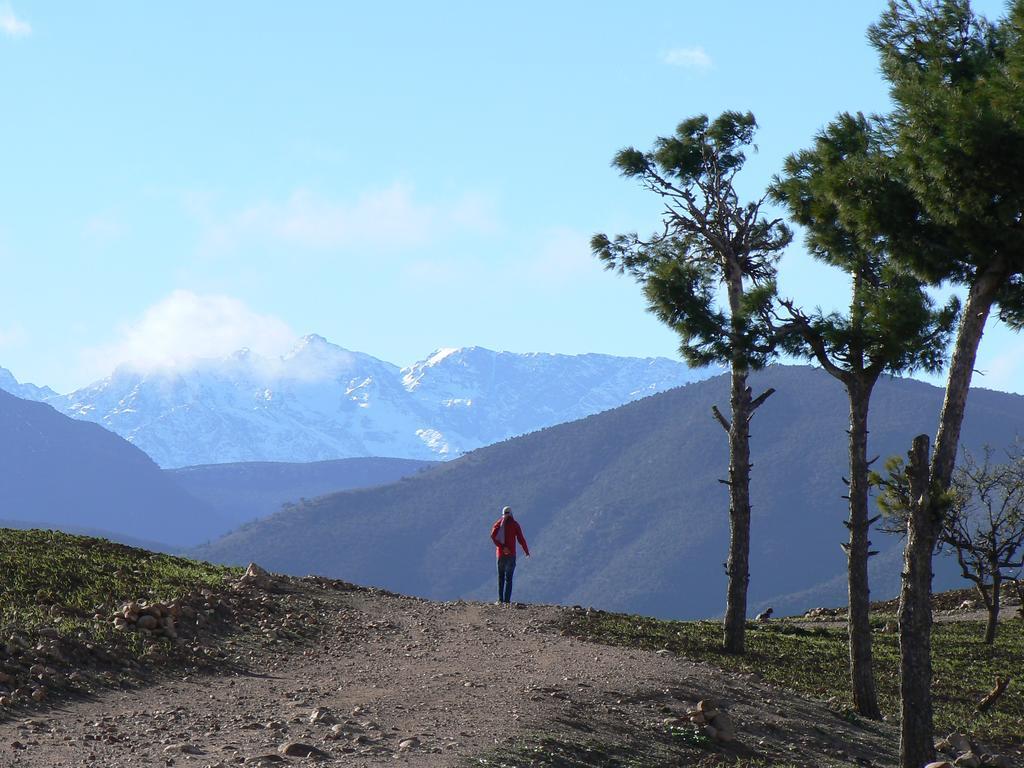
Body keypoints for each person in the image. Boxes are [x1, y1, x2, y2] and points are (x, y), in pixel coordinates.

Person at [490, 505, 529, 606]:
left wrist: (502, 547)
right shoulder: (515, 524)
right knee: (509, 578)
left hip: (500, 555)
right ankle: (507, 601)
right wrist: (526, 551)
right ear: (511, 513)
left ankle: (500, 600)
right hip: (511, 555)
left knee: (501, 577)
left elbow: (493, 536)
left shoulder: (498, 524)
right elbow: (521, 538)